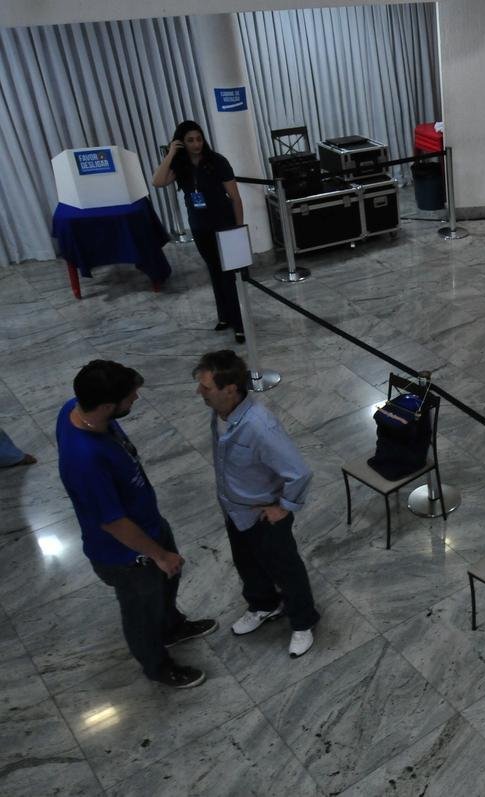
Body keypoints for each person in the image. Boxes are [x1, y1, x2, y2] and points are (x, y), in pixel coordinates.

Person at [57, 360, 215, 688]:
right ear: (106, 406)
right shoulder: (85, 460)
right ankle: (157, 666)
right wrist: (159, 554)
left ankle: (171, 626)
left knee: (166, 584)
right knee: (141, 612)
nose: (136, 401)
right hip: (128, 555)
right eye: (130, 398)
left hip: (149, 526)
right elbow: (113, 523)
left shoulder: (75, 407)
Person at [193, 350, 319, 658]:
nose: (200, 392)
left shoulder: (260, 427)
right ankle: (263, 604)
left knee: (285, 567)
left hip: (264, 515)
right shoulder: (220, 415)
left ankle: (302, 621)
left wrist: (283, 507)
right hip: (234, 510)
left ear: (231, 389)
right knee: (246, 562)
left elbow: (299, 473)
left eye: (206, 387)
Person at [151, 120, 245, 344]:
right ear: (182, 143)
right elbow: (157, 181)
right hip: (199, 226)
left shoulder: (217, 162)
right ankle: (224, 316)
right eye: (190, 140)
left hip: (223, 223)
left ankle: (239, 323)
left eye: (199, 139)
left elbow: (235, 198)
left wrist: (239, 228)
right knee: (213, 271)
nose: (196, 144)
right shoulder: (180, 166)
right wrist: (171, 153)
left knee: (227, 275)